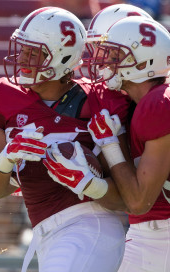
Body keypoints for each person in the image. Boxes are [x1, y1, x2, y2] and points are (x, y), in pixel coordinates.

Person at [0, 7, 130, 272]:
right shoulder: (1, 96)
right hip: (46, 233)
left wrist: (88, 183)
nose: (23, 58)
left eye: (34, 52)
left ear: (64, 57)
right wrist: (6, 158)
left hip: (92, 225)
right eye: (22, 48)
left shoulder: (98, 100)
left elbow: (128, 198)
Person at [86, 15, 170, 271]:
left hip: (159, 236)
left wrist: (110, 145)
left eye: (115, 56)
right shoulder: (151, 102)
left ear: (143, 61)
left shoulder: (157, 104)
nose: (105, 62)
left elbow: (139, 201)